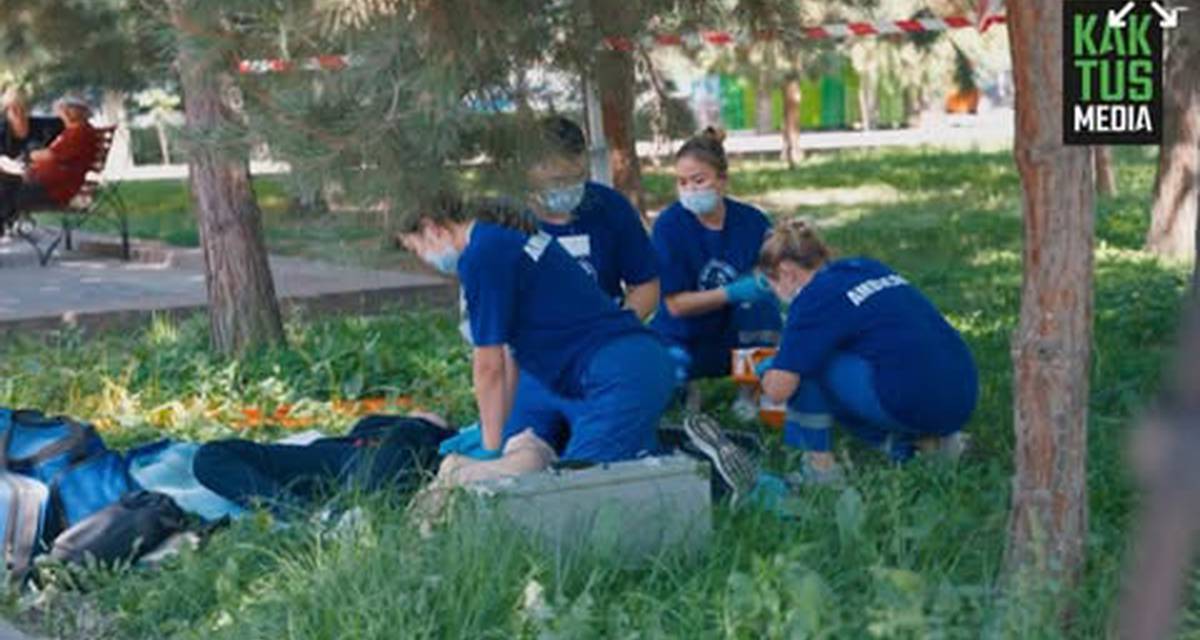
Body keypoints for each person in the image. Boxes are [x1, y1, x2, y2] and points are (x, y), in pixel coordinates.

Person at [399, 197, 676, 464]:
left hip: (615, 373)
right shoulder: (502, 237)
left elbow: (489, 366)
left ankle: (692, 456)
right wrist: (499, 435)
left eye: (416, 249)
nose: (423, 259)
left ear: (431, 229)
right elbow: (509, 357)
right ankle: (667, 448)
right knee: (580, 461)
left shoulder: (480, 256)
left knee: (579, 490)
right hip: (616, 365)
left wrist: (491, 450)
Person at [755, 218, 978, 483]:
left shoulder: (812, 299)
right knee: (856, 356)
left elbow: (779, 390)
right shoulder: (866, 267)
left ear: (786, 271)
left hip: (911, 400)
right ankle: (928, 444)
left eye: (772, 285)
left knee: (806, 363)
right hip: (963, 391)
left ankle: (819, 468)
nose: (776, 294)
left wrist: (768, 368)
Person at [497, 116, 661, 453]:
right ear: (529, 170)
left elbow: (646, 284)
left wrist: (619, 330)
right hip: (533, 367)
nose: (568, 189)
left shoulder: (609, 208)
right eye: (558, 180)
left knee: (610, 456)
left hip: (601, 362)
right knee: (519, 451)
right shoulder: (503, 223)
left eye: (577, 178)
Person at [649, 127, 780, 415]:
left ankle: (751, 391)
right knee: (659, 395)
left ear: (722, 181)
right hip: (683, 335)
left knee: (761, 305)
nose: (690, 190)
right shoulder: (669, 226)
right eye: (682, 182)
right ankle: (686, 386)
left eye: (699, 180)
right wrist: (731, 292)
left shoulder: (752, 222)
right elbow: (674, 305)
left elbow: (775, 273)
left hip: (735, 335)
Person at [0, 95, 99, 232]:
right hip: (50, 183)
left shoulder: (79, 133)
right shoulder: (73, 132)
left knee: (5, 189)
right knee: (5, 184)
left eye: (67, 110)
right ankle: (5, 223)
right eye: (63, 110)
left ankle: (5, 224)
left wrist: (31, 158)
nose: (63, 113)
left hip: (55, 190)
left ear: (81, 113)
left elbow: (49, 156)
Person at [0, 87, 61, 161]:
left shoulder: (47, 126)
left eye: (21, 107)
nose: (17, 112)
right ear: (6, 112)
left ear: (27, 108)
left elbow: (67, 126)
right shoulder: (2, 132)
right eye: (12, 108)